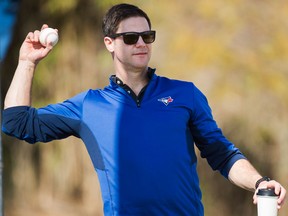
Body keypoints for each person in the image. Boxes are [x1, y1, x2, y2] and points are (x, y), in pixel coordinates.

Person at [2, 3, 286, 216]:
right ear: (109, 43)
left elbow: (222, 154)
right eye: (130, 38)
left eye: (147, 36)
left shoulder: (184, 93)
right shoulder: (90, 105)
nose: (140, 43)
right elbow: (17, 123)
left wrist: (260, 181)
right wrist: (27, 63)